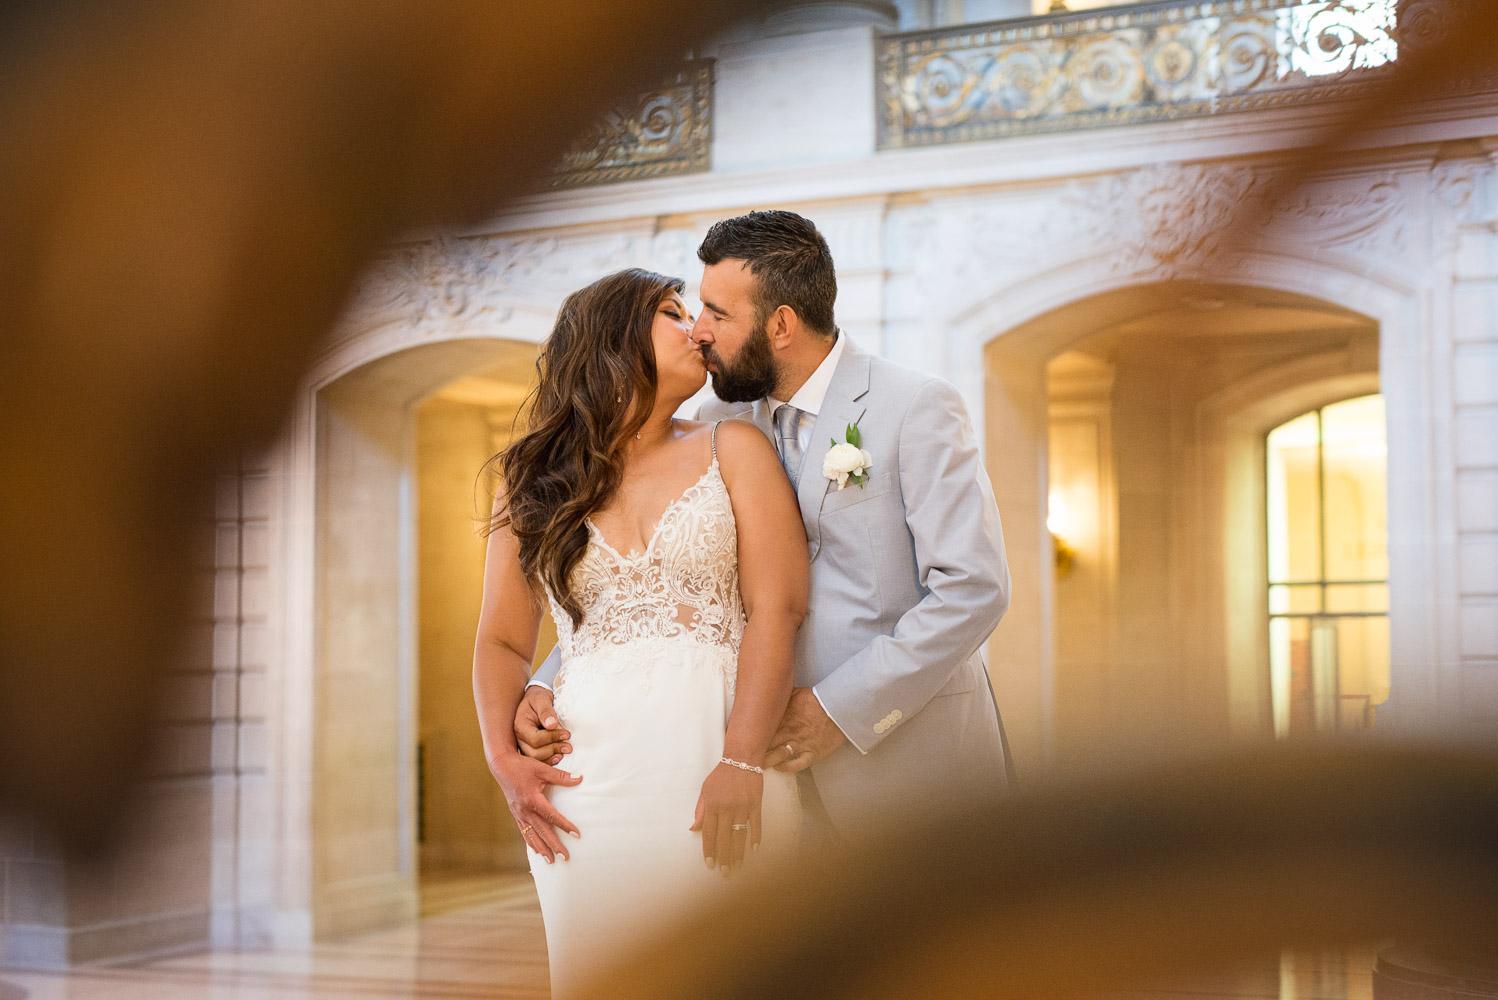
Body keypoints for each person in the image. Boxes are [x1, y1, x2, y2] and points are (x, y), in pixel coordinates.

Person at [519, 210, 1011, 848]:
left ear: (780, 324)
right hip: (761, 777)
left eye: (718, 314)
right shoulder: (718, 419)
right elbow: (659, 577)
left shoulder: (915, 406)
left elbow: (972, 589)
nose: (699, 331)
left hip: (909, 763)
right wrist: (547, 674)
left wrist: (839, 711)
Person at [471, 267, 807, 998]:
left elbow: (777, 611)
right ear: (613, 337)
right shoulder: (530, 480)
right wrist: (503, 757)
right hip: (586, 788)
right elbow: (501, 639)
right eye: (672, 312)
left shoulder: (735, 450)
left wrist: (742, 760)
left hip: (717, 755)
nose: (698, 330)